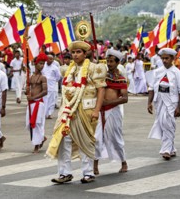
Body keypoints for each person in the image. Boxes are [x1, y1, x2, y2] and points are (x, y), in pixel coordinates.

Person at [47, 41, 107, 184]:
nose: (75, 55)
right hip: (67, 110)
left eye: (78, 52)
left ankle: (88, 173)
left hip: (86, 110)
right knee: (63, 140)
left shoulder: (94, 68)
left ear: (85, 54)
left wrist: (97, 110)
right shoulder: (68, 69)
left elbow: (101, 90)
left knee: (85, 140)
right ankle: (64, 173)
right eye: (73, 52)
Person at [147, 48, 180, 160]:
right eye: (163, 58)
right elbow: (151, 87)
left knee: (168, 123)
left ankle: (166, 150)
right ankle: (171, 148)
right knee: (163, 124)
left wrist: (179, 107)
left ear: (172, 59)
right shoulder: (157, 72)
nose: (164, 60)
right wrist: (149, 102)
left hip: (171, 102)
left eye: (167, 58)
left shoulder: (177, 73)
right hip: (159, 101)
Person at [94, 49, 128, 175]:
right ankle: (95, 164)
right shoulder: (102, 76)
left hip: (113, 111)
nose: (109, 63)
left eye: (112, 61)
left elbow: (124, 98)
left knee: (116, 138)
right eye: (107, 61)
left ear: (118, 62)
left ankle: (123, 162)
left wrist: (107, 103)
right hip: (99, 110)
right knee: (96, 138)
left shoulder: (121, 79)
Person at [26, 53, 48, 153]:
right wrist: (26, 91)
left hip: (39, 103)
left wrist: (33, 97)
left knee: (37, 124)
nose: (42, 65)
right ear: (35, 64)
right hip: (31, 103)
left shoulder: (43, 78)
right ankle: (41, 138)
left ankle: (36, 145)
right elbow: (28, 90)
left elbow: (45, 91)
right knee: (29, 124)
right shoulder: (30, 77)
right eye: (40, 63)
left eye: (43, 64)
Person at [42, 54, 61, 119]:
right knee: (45, 100)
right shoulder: (43, 66)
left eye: (52, 59)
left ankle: (50, 113)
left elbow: (58, 77)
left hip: (52, 86)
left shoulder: (55, 67)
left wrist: (52, 81)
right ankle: (44, 114)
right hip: (44, 86)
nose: (51, 60)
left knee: (52, 101)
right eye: (49, 59)